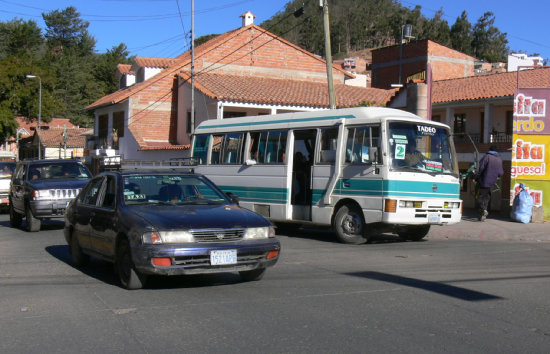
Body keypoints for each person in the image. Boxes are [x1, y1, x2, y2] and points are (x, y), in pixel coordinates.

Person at [474, 145, 503, 221]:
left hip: (484, 181)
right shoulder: (499, 159)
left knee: (480, 197)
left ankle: (483, 210)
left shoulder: (486, 157)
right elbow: (500, 173)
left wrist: (475, 177)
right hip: (492, 182)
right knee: (487, 198)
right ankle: (483, 215)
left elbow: (480, 169)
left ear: (490, 150)